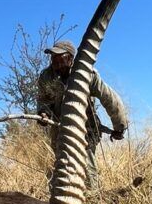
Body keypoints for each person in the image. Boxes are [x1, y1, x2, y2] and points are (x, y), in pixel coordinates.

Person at [36, 39, 127, 185]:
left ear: (71, 58)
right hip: (59, 130)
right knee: (64, 170)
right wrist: (43, 112)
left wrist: (119, 126)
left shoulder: (86, 74)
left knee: (86, 169)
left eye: (60, 58)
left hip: (86, 129)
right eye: (53, 58)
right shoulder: (46, 76)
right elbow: (43, 100)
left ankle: (94, 197)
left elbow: (110, 99)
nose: (56, 63)